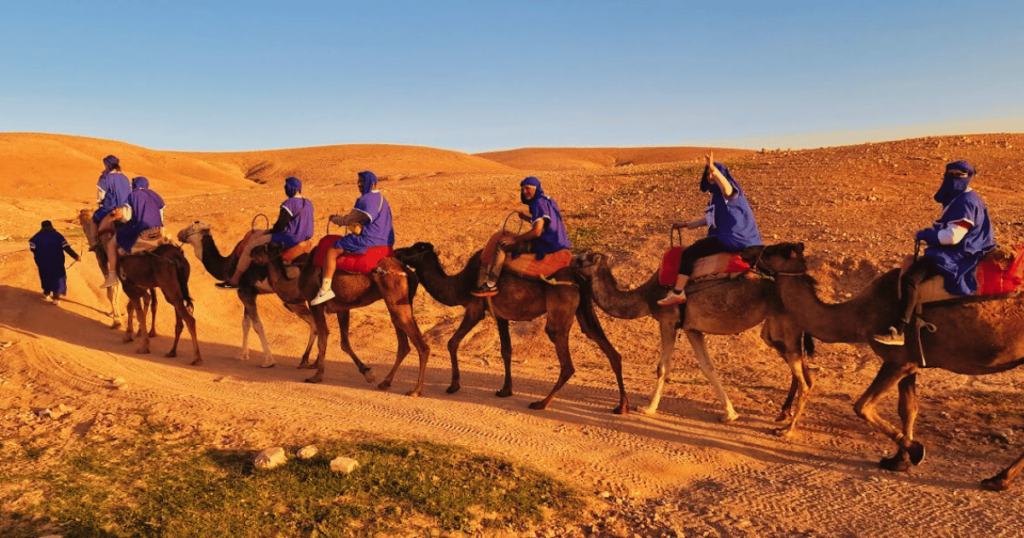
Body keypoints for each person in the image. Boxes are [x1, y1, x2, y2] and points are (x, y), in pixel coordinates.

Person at [874, 161, 996, 346]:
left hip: (960, 252)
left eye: (958, 175)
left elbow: (953, 237)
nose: (953, 179)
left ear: (968, 177)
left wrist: (927, 235)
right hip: (960, 247)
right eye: (950, 174)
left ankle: (899, 330)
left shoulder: (966, 202)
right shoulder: (960, 198)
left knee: (910, 279)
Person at [658, 152, 762, 306]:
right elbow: (710, 219)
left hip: (733, 238)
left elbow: (726, 188)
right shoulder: (716, 197)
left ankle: (678, 292)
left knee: (689, 253)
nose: (710, 176)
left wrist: (714, 170)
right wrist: (687, 225)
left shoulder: (730, 192)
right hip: (738, 238)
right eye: (707, 173)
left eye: (712, 173)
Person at [472, 175, 571, 297]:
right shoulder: (548, 200)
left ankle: (490, 285)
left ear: (535, 188)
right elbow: (544, 223)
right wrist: (526, 218)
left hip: (548, 244)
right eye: (523, 189)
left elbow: (537, 231)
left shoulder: (537, 204)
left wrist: (514, 239)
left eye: (527, 188)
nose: (525, 192)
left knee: (502, 245)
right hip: (560, 242)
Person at [311, 171, 394, 305]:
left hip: (370, 239)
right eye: (358, 181)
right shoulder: (381, 198)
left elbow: (350, 219)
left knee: (331, 250)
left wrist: (335, 219)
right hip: (385, 240)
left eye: (362, 181)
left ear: (372, 183)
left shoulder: (367, 199)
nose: (359, 184)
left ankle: (325, 289)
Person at [217, 176, 314, 289]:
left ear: (290, 188)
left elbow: (280, 225)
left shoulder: (289, 204)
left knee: (249, 247)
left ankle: (234, 281)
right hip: (304, 237)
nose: (284, 189)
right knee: (261, 235)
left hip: (288, 238)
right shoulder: (308, 203)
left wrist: (271, 232)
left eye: (286, 187)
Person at [100, 177, 165, 288]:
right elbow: (161, 214)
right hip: (158, 229)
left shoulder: (132, 196)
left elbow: (127, 217)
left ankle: (112, 275)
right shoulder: (154, 195)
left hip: (141, 229)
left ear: (134, 185)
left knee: (112, 243)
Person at [29, 220, 81, 306]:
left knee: (45, 276)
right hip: (57, 261)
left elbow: (32, 248)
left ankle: (46, 293)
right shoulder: (58, 236)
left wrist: (40, 253)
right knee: (58, 278)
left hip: (42, 262)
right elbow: (66, 247)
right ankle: (56, 298)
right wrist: (75, 256)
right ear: (51, 226)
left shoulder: (36, 237)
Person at [86, 155, 132, 251]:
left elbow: (100, 196)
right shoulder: (125, 178)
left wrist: (100, 202)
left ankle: (94, 244)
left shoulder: (104, 178)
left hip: (110, 208)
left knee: (94, 219)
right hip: (125, 209)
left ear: (107, 165)